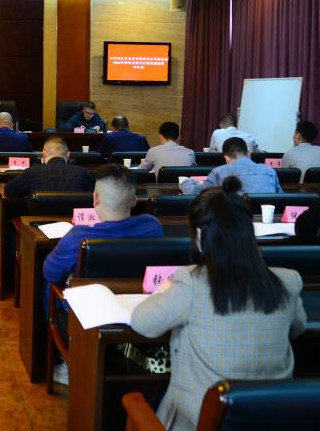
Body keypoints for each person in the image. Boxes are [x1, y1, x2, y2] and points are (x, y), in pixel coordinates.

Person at [130, 177, 307, 431]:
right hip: (272, 420)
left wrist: (166, 288)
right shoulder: (288, 281)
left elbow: (141, 322)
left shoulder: (192, 283)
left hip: (197, 421)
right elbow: (298, 328)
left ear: (200, 235)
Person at [43, 164, 163, 286]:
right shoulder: (152, 226)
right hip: (138, 295)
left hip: (89, 297)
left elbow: (51, 273)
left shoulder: (77, 236)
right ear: (134, 201)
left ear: (95, 198)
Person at [181, 136, 281, 195]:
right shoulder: (269, 171)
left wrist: (186, 183)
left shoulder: (219, 172)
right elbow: (281, 197)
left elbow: (195, 193)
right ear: (248, 154)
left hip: (233, 222)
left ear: (226, 158)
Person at [5, 137, 94, 197]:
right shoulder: (82, 173)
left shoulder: (32, 172)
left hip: (37, 219)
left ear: (44, 153)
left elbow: (9, 190)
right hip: (73, 220)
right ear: (68, 155)